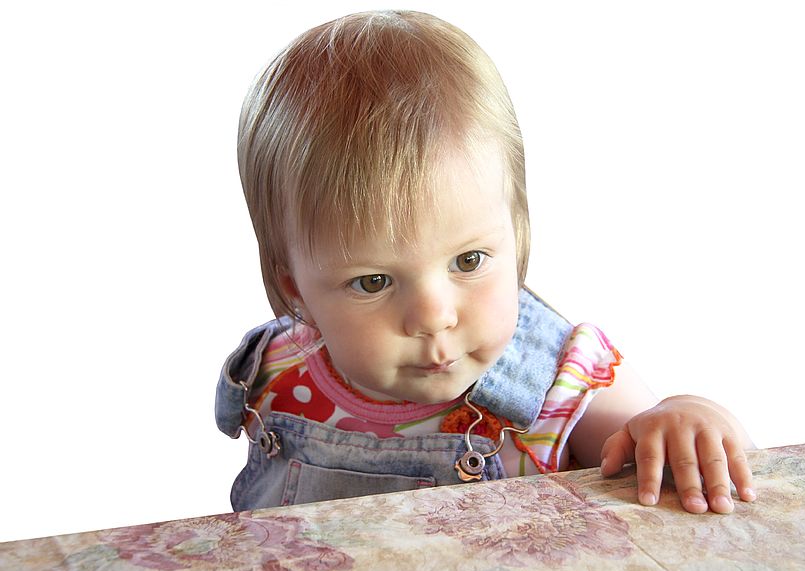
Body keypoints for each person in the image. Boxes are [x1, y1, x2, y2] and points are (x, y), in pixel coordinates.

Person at [216, 9, 756, 516]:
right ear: (296, 292)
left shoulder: (556, 381)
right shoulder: (274, 374)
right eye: (373, 281)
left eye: (468, 260)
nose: (433, 316)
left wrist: (687, 420)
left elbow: (658, 458)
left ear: (517, 238)